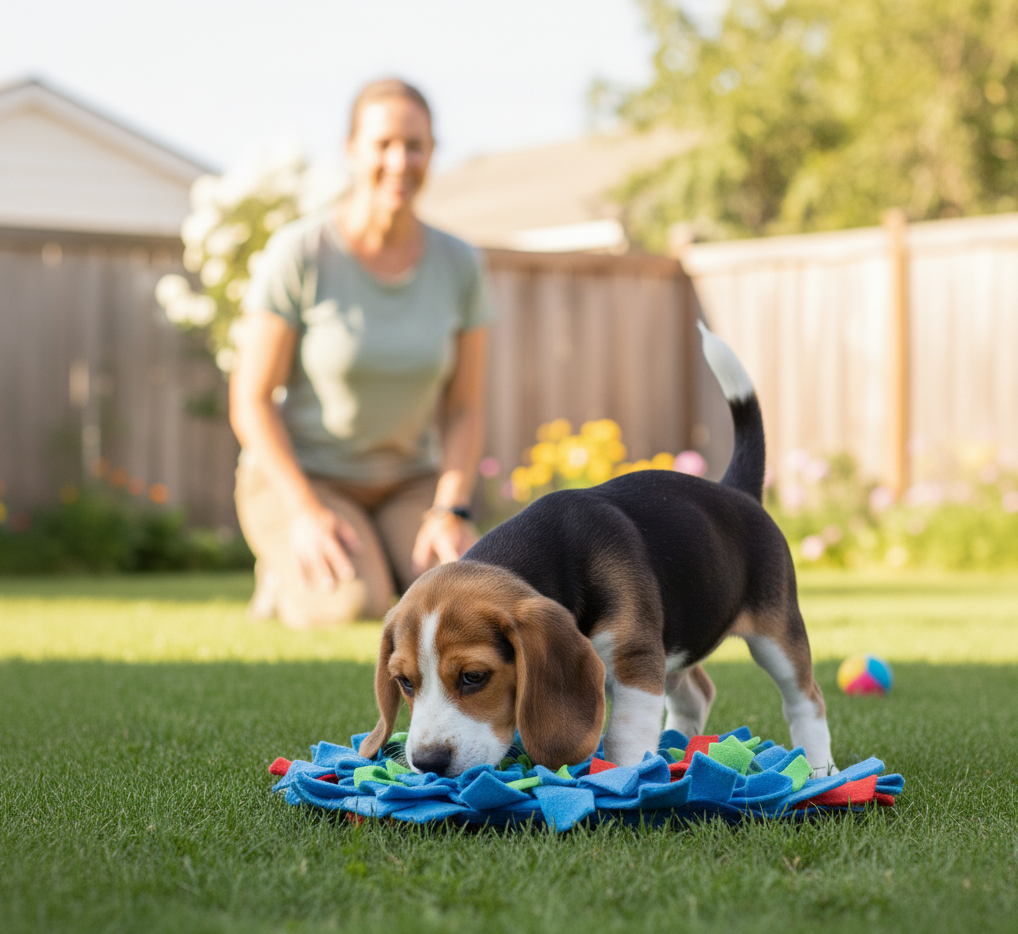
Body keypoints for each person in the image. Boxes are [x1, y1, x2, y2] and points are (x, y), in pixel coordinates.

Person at [229, 78, 492, 628]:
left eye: (415, 146)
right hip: (308, 477)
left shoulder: (459, 264)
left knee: (464, 605)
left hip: (409, 483)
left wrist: (450, 508)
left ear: (432, 153)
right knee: (353, 605)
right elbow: (251, 400)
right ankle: (281, 576)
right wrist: (304, 510)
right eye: (383, 144)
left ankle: (387, 563)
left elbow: (465, 406)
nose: (400, 161)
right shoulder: (300, 254)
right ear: (351, 151)